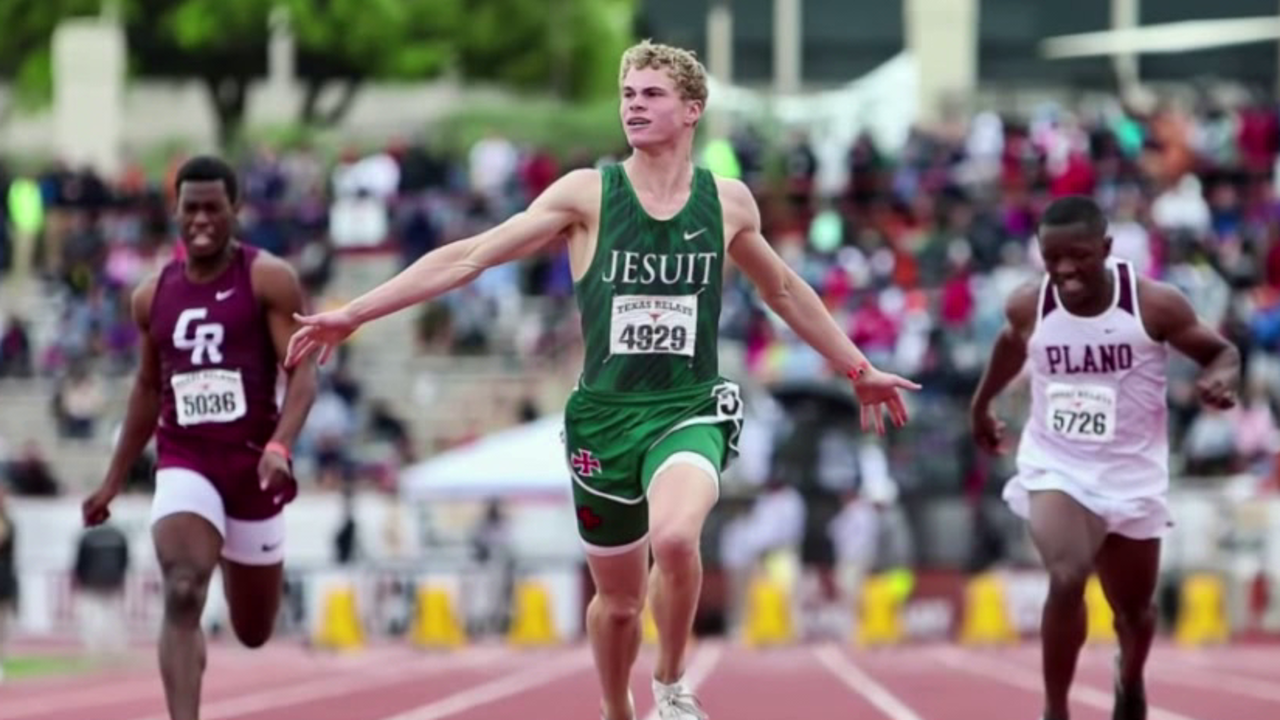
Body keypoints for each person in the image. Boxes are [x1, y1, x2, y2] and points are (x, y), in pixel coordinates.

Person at [284, 41, 919, 720]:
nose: (635, 106)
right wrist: (355, 311)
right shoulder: (588, 193)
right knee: (618, 603)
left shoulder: (727, 203)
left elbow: (787, 291)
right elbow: (470, 257)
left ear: (691, 109)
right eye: (627, 95)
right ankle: (617, 707)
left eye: (651, 95)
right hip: (604, 420)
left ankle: (672, 689)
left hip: (688, 407)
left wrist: (858, 367)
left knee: (675, 539)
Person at [969, 195, 1240, 720]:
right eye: (1052, 259)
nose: (1065, 270)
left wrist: (1219, 380)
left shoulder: (1154, 304)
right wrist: (981, 404)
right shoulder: (1031, 304)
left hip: (1132, 475)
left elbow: (1221, 353)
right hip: (1057, 465)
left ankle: (1130, 677)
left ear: (1107, 248)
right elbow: (1010, 345)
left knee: (1135, 614)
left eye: (1079, 256)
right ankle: (1055, 709)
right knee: (1067, 576)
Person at [81, 156, 318, 720]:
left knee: (254, 630)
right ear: (176, 212)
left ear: (235, 210)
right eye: (191, 208)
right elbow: (145, 388)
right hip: (186, 458)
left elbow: (304, 374)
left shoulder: (269, 279)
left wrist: (281, 446)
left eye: (214, 207)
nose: (202, 220)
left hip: (255, 465)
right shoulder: (151, 295)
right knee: (184, 589)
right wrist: (113, 480)